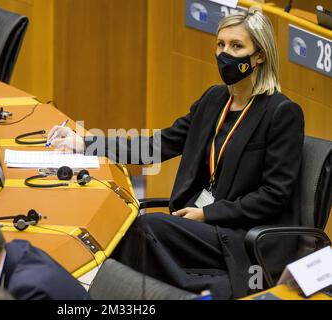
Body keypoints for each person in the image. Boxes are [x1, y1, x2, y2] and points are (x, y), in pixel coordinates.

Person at [47, 9, 305, 299]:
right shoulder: (214, 99)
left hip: (238, 233)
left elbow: (274, 194)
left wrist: (207, 213)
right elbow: (159, 145)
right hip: (202, 223)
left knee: (145, 228)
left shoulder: (281, 113)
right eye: (220, 44)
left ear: (259, 55)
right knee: (133, 228)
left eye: (236, 46)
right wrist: (87, 144)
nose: (225, 54)